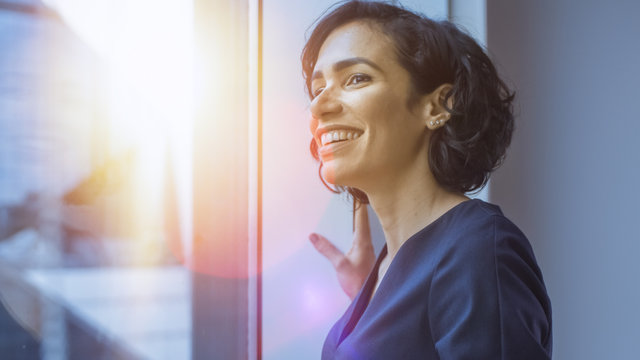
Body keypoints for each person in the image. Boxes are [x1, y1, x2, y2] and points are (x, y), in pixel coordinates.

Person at [303, 1, 552, 359]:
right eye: (317, 88)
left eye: (356, 78)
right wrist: (376, 313)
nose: (317, 106)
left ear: (438, 107)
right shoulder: (391, 265)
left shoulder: (478, 252)